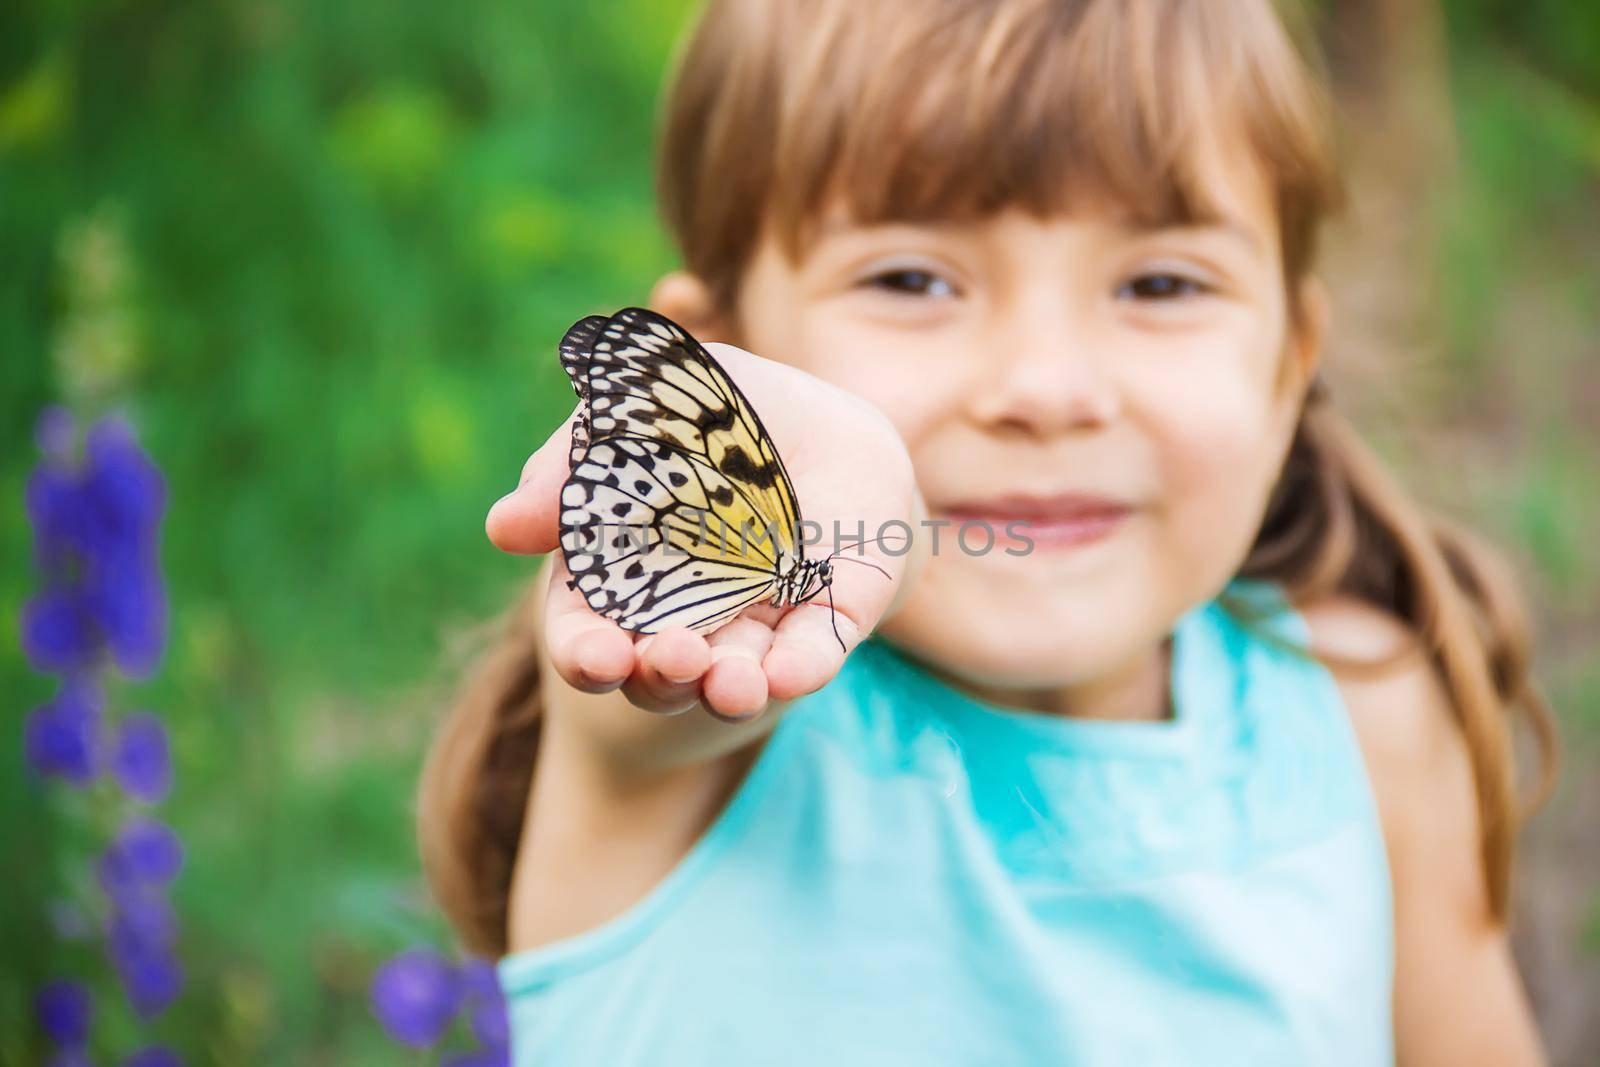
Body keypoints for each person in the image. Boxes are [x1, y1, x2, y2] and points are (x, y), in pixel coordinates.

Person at [417, 0, 1558, 1062]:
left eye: (1160, 284)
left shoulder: (1369, 716)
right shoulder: (705, 727)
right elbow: (637, 682)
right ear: (729, 352)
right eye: (912, 278)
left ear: (1285, 367)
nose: (1045, 386)